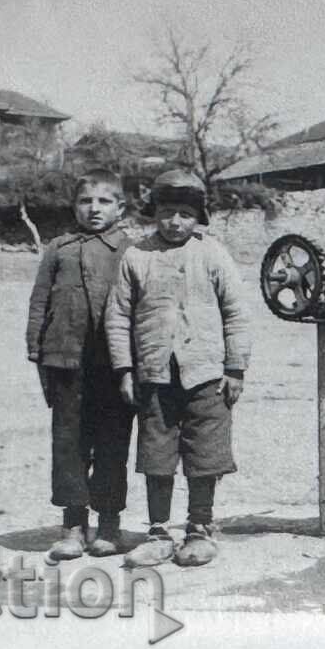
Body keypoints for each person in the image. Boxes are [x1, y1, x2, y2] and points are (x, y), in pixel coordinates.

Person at [105, 169, 252, 568]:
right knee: (157, 452)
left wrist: (235, 368)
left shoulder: (212, 253)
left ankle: (199, 527)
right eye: (167, 212)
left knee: (205, 452)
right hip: (154, 373)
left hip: (206, 373)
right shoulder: (137, 256)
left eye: (185, 214)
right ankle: (158, 531)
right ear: (154, 213)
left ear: (198, 217)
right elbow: (118, 317)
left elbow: (236, 313)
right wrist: (124, 370)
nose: (175, 222)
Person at [26, 168, 134, 560]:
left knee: (112, 442)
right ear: (74, 206)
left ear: (121, 207)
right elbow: (40, 301)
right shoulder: (59, 248)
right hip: (64, 359)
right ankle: (73, 524)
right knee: (68, 442)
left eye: (104, 201)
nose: (94, 209)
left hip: (114, 363)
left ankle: (109, 523)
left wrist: (134, 363)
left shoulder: (131, 250)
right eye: (86, 201)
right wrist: (36, 350)